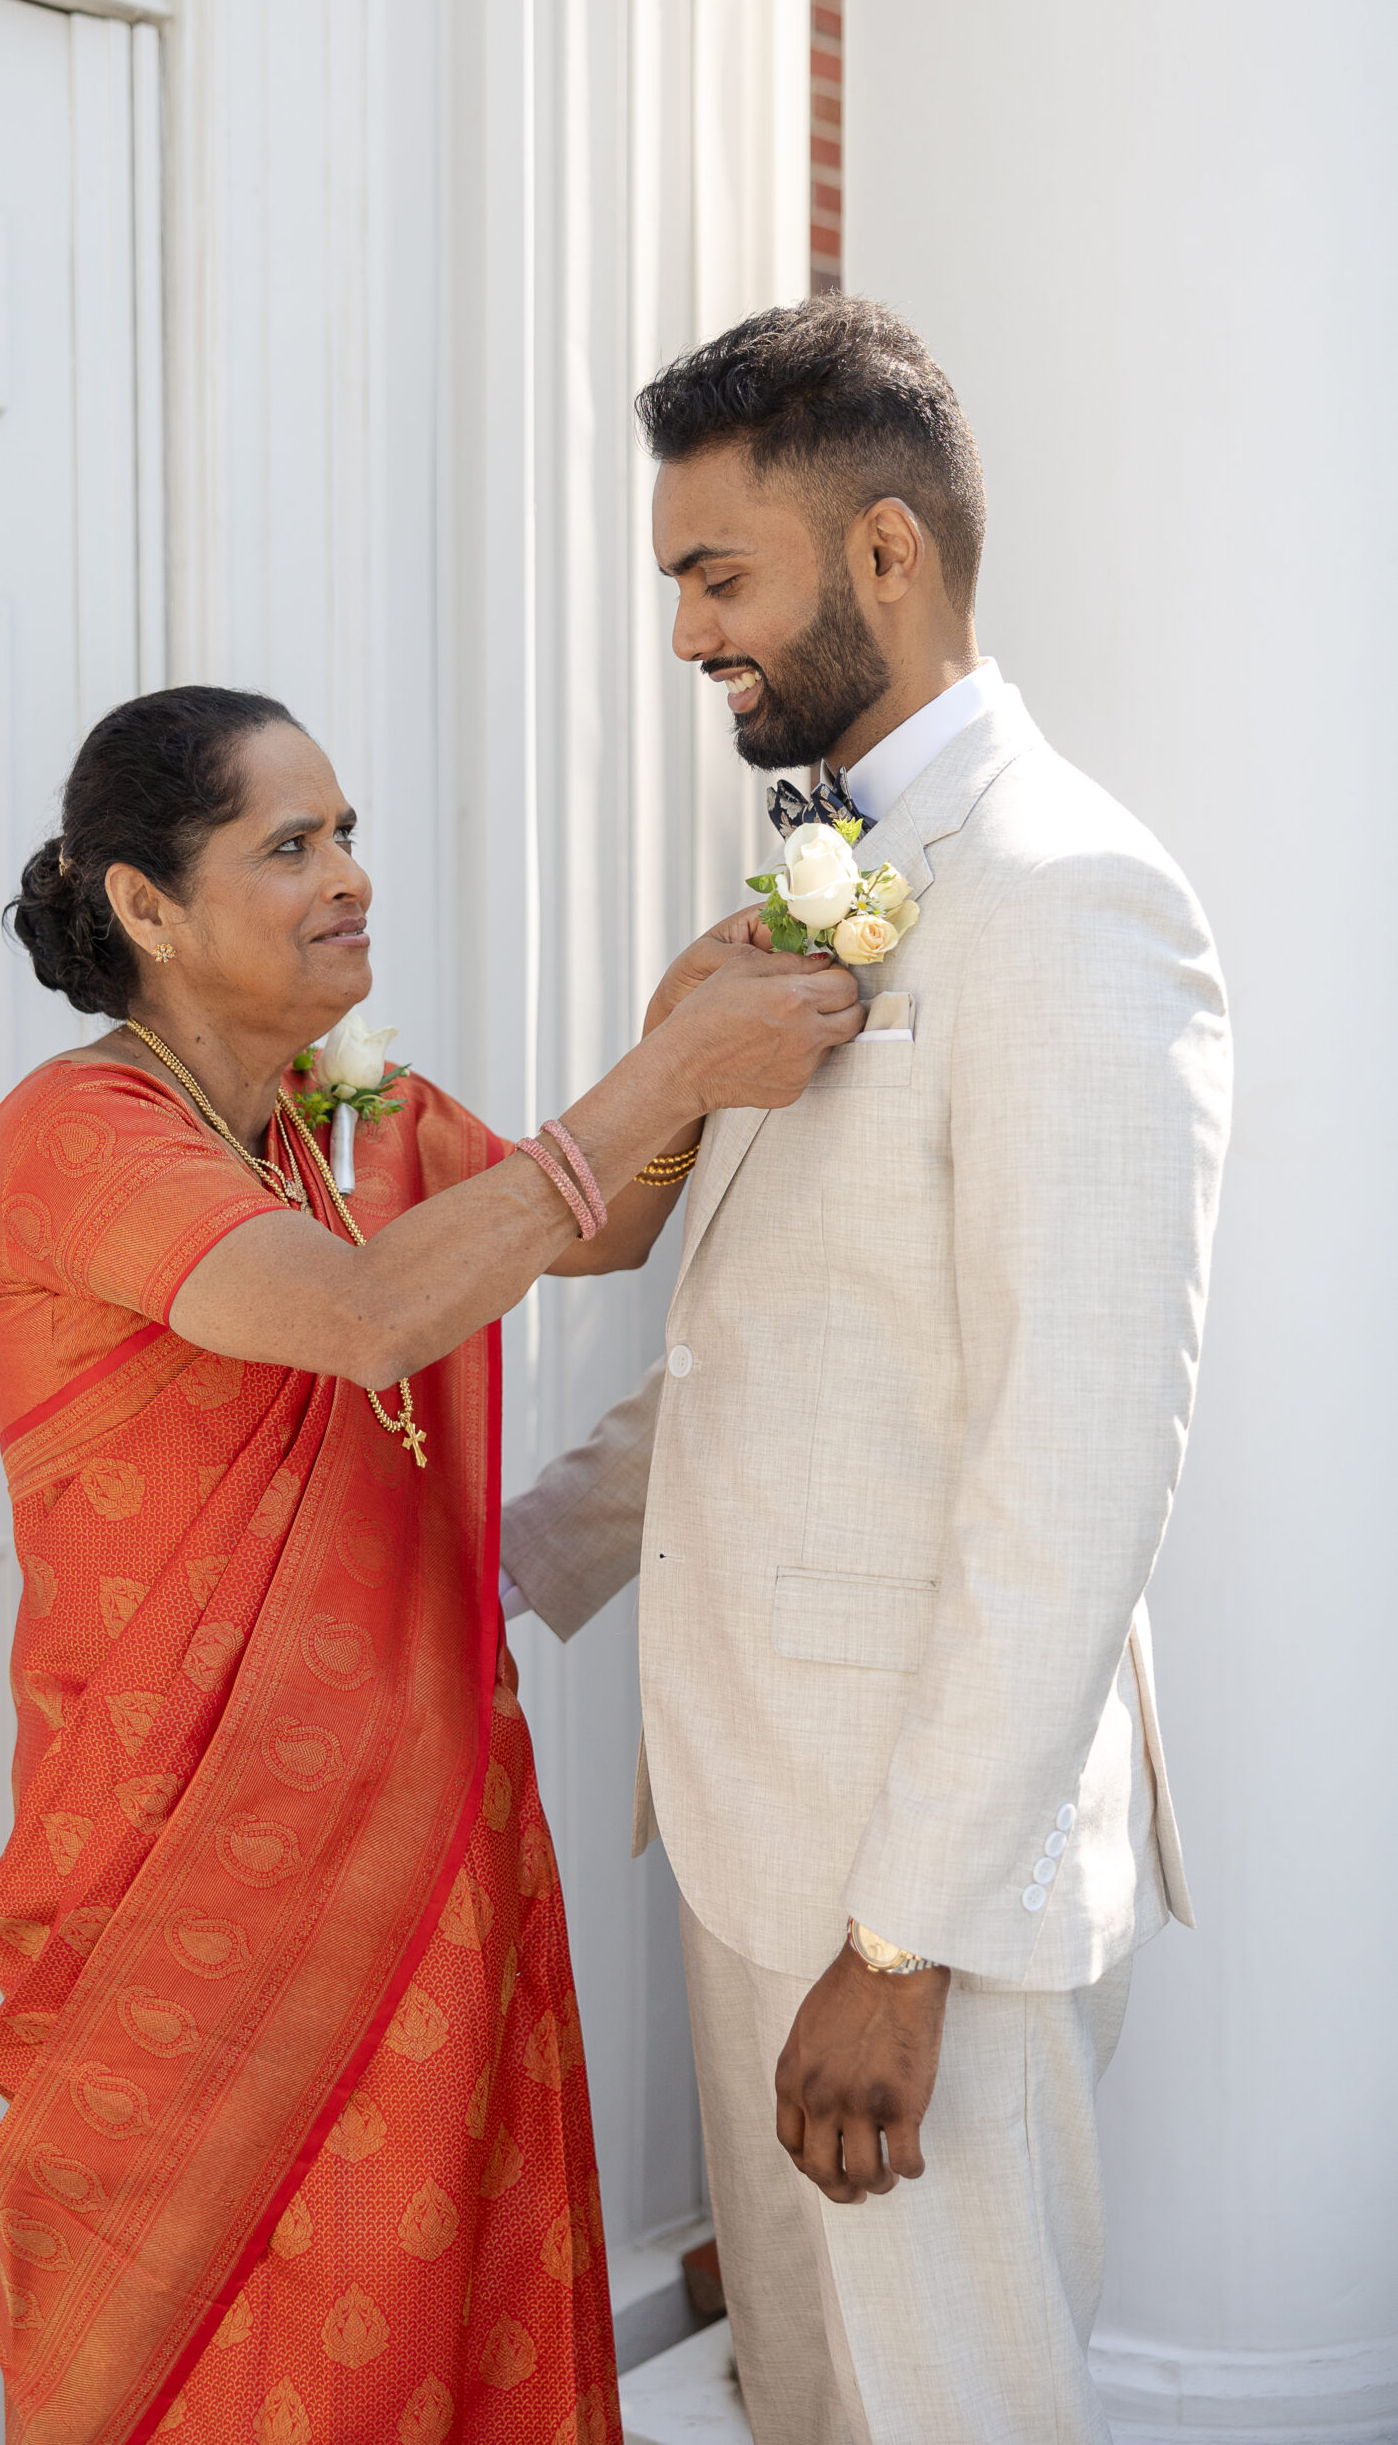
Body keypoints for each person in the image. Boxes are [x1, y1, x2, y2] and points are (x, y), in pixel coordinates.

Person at [0, 683, 865, 2444]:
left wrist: (695, 1023)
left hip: (427, 1835)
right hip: (183, 1879)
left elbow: (593, 1222)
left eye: (350, 832)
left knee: (437, 2324)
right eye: (289, 846)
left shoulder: (350, 1112)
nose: (348, 876)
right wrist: (658, 1077)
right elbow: (369, 1316)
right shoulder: (74, 1142)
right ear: (142, 905)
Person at [500, 297, 1233, 2444]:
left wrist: (899, 1945)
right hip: (748, 1832)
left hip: (919, 1891)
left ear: (883, 556)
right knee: (814, 2406)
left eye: (712, 576)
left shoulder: (1067, 897)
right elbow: (764, 1342)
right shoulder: (821, 892)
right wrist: (495, 1554)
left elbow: (1074, 1458)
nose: (683, 635)